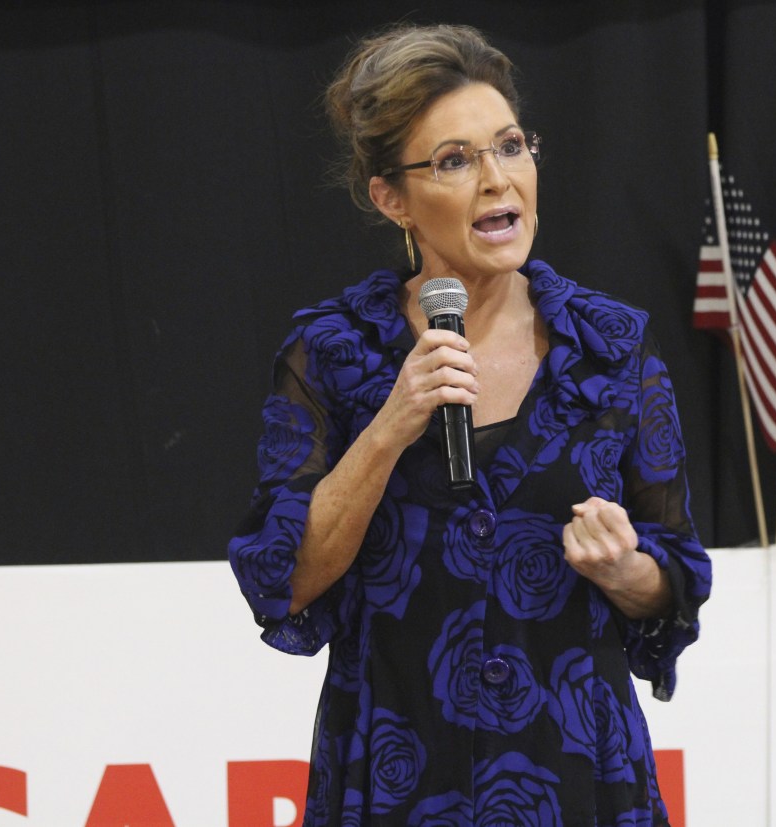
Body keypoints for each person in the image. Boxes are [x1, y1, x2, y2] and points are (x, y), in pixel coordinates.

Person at [228, 23, 711, 827]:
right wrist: (388, 428)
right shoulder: (332, 353)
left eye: (511, 147)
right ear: (392, 197)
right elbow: (282, 579)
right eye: (455, 160)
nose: (499, 180)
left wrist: (628, 570)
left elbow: (677, 576)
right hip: (394, 773)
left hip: (577, 776)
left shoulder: (613, 344)